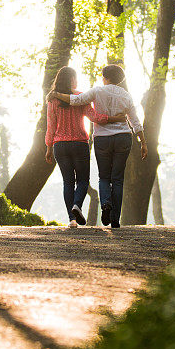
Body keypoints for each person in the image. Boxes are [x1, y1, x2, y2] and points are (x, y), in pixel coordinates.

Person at [47, 64, 147, 228]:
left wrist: (48, 147)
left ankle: (89, 210)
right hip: (113, 138)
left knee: (99, 178)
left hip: (93, 140)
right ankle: (112, 218)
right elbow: (133, 121)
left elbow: (68, 109)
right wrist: (143, 141)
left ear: (105, 78)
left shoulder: (94, 92)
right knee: (115, 179)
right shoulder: (127, 96)